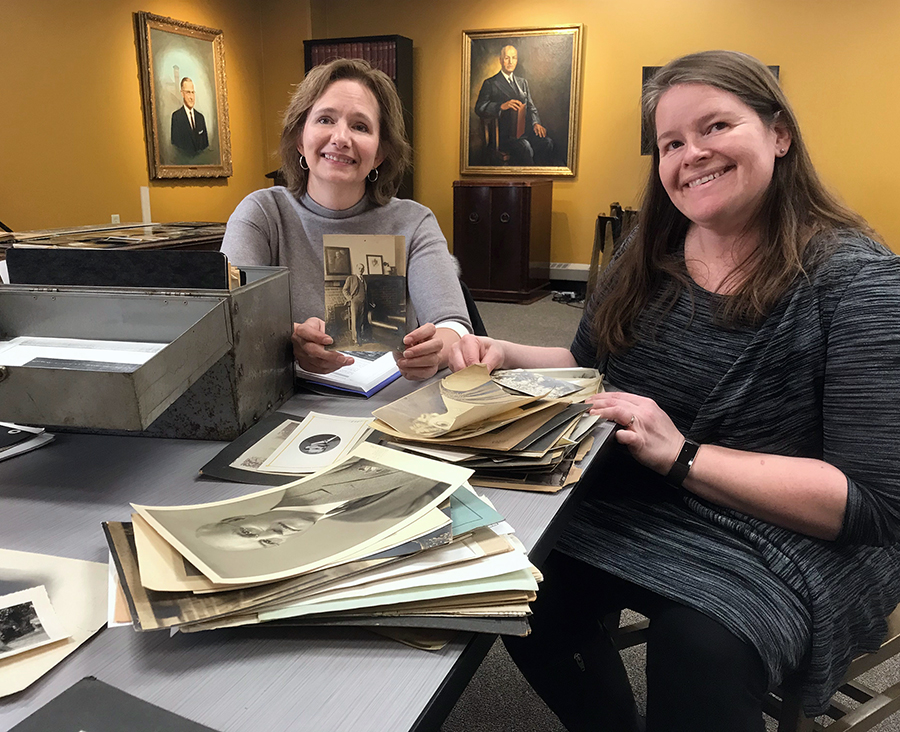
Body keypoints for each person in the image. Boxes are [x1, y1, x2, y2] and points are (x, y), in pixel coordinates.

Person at [450, 49, 900, 732]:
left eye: (716, 126)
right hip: (636, 499)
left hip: (782, 536)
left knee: (699, 647)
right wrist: (503, 350)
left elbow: (871, 504)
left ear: (779, 134)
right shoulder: (645, 251)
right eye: (671, 143)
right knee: (512, 580)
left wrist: (684, 456)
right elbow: (587, 364)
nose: (691, 153)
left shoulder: (857, 281)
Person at [221, 58, 471, 381]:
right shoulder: (262, 214)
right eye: (325, 119)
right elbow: (228, 319)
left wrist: (437, 352)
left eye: (360, 126)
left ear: (380, 152)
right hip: (282, 404)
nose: (341, 138)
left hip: (388, 408)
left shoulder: (414, 222)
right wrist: (288, 338)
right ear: (300, 138)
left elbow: (454, 325)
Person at [195, 456, 444, 551]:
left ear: (238, 519)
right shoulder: (359, 517)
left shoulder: (304, 480)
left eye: (249, 532)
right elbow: (437, 496)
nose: (275, 533)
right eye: (267, 542)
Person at [474, 44, 554, 166]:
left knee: (546, 142)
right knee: (525, 147)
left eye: (514, 58)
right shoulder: (490, 83)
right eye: (507, 58)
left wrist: (536, 122)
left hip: (524, 132)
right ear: (500, 60)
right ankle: (529, 181)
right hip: (503, 137)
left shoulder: (523, 82)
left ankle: (541, 178)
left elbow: (531, 107)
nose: (511, 62)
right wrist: (500, 106)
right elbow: (479, 108)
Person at [170, 78, 209, 154]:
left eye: (192, 92)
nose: (191, 97)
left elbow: (205, 146)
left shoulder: (200, 118)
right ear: (182, 93)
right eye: (188, 92)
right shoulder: (176, 117)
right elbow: (175, 147)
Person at [342, 262, 370, 344]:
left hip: (363, 302)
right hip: (355, 302)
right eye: (359, 268)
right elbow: (344, 290)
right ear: (356, 269)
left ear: (363, 270)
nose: (360, 270)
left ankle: (360, 337)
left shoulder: (364, 279)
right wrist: (350, 298)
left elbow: (365, 291)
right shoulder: (351, 278)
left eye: (362, 269)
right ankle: (355, 339)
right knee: (355, 320)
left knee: (361, 320)